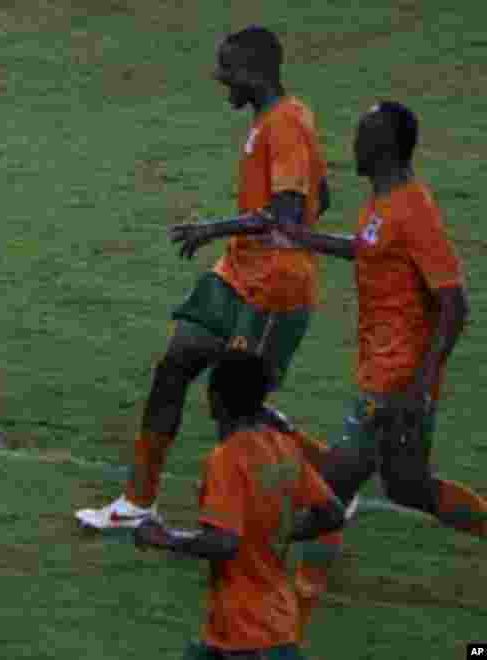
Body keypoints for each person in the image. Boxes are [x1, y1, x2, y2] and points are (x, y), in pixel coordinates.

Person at [77, 26, 330, 530]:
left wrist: (214, 228)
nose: (223, 82)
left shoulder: (285, 125)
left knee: (238, 407)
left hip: (273, 288)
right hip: (236, 275)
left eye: (229, 72)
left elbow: (285, 213)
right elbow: (320, 195)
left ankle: (328, 483)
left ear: (255, 73)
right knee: (174, 366)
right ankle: (136, 503)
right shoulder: (277, 118)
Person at [279, 101, 487, 536]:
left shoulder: (414, 210)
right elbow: (367, 247)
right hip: (385, 366)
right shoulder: (383, 199)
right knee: (408, 487)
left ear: (383, 147)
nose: (353, 143)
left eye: (362, 135)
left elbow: (455, 304)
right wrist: (303, 239)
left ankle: (246, 551)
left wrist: (420, 387)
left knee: (330, 488)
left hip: (395, 378)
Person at [135, 351, 345, 660]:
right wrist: (278, 532)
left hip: (245, 635)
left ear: (215, 399)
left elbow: (223, 543)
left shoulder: (227, 459)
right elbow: (332, 514)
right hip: (273, 625)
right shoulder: (283, 449)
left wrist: (165, 538)